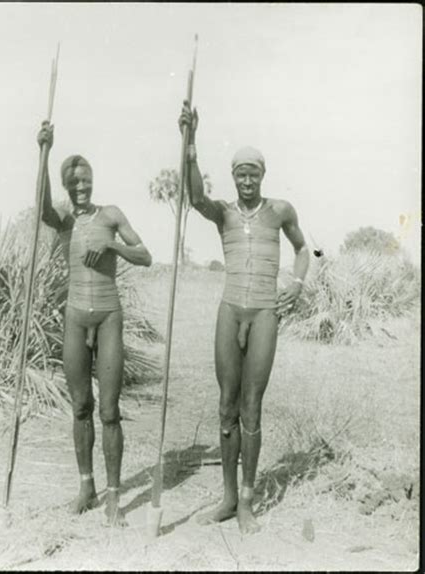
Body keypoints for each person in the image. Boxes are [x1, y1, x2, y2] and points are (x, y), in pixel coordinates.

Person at [179, 101, 310, 534]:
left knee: (251, 407)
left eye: (254, 173)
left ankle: (249, 501)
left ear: (263, 176)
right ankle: (228, 499)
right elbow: (195, 196)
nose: (248, 180)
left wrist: (297, 282)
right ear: (233, 177)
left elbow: (303, 249)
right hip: (229, 311)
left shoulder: (281, 210)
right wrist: (190, 140)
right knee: (225, 406)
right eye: (241, 174)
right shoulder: (224, 213)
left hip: (265, 315)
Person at [37, 121, 152, 527]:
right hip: (74, 318)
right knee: (80, 407)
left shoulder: (111, 215)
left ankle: (115, 498)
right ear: (67, 188)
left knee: (108, 410)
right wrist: (44, 152)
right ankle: (87, 487)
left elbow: (146, 255)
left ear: (92, 180)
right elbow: (42, 207)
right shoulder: (65, 221)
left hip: (108, 318)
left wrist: (113, 245)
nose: (80, 188)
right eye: (73, 184)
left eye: (84, 181)